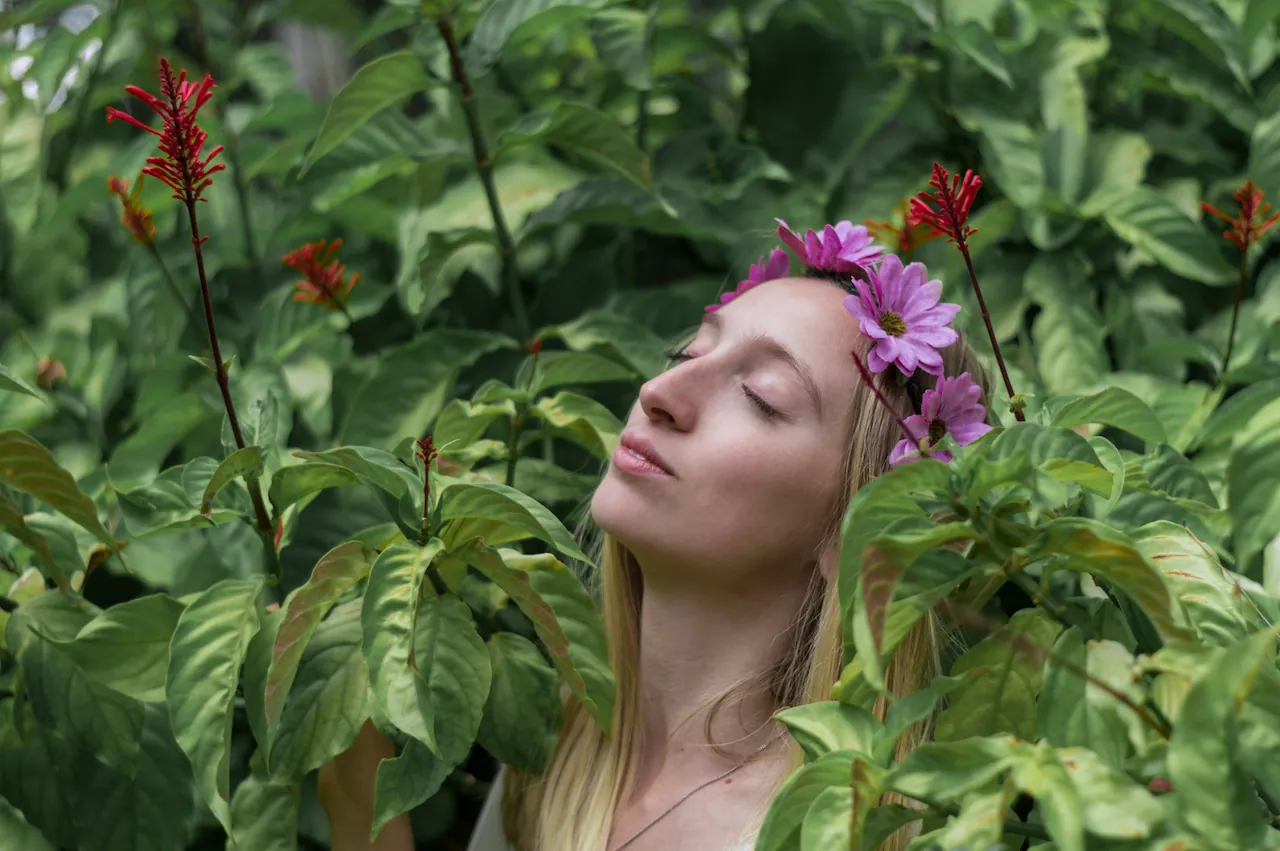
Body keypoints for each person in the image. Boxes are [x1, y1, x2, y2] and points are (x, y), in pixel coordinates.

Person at [319, 225, 990, 851]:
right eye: (688, 351)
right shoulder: (555, 751)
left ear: (859, 531)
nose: (659, 389)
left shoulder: (831, 827)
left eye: (760, 395)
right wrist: (357, 788)